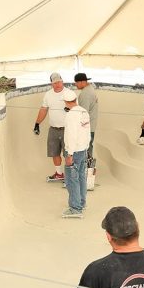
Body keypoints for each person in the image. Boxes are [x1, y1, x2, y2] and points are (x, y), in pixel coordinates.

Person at [33, 72, 69, 182]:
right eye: (55, 83)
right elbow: (44, 109)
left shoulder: (69, 93)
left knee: (68, 154)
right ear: (51, 84)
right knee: (54, 152)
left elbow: (75, 108)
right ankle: (59, 174)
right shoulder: (48, 95)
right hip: (53, 129)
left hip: (67, 129)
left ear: (62, 81)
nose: (57, 84)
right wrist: (37, 123)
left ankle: (70, 177)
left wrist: (70, 110)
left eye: (59, 82)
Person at [62, 89, 91, 219]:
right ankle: (82, 202)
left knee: (71, 180)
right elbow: (87, 132)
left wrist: (70, 154)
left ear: (66, 102)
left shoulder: (71, 115)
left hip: (74, 151)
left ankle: (75, 208)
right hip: (83, 149)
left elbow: (71, 135)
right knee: (81, 177)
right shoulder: (84, 112)